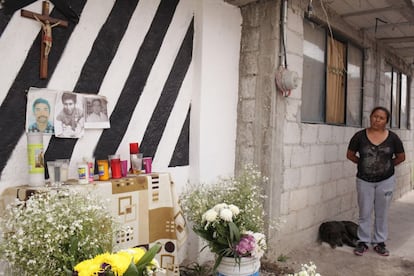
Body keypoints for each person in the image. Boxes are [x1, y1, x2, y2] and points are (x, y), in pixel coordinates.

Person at [346, 106, 405, 257]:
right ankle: (363, 242)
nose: (377, 120)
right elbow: (350, 155)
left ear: (386, 121)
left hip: (386, 181)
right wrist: (363, 163)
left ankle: (379, 243)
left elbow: (401, 157)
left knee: (382, 213)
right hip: (364, 180)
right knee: (364, 212)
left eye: (381, 118)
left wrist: (387, 166)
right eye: (375, 116)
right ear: (370, 117)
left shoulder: (393, 138)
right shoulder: (359, 136)